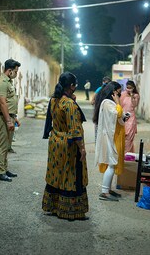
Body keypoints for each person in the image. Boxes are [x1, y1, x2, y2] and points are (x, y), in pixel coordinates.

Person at [42, 72, 89, 221]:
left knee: (56, 174)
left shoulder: (55, 100)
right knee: (72, 176)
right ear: (72, 86)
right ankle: (71, 211)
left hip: (55, 141)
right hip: (68, 145)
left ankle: (54, 207)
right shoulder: (68, 104)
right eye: (75, 85)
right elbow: (75, 129)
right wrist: (82, 148)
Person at [94, 82, 127, 201]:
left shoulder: (110, 103)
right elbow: (116, 113)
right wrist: (118, 103)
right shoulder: (107, 103)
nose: (120, 93)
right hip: (111, 137)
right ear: (113, 92)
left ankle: (108, 189)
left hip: (115, 135)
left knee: (113, 163)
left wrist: (124, 116)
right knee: (112, 163)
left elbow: (119, 116)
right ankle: (104, 192)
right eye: (118, 91)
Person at [0, 58, 21, 182]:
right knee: (3, 145)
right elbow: (2, 103)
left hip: (9, 117)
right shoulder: (2, 83)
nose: (16, 73)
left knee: (7, 145)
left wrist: (14, 118)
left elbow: (10, 102)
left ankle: (4, 168)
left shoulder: (8, 82)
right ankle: (0, 172)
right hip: (3, 117)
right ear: (9, 71)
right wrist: (8, 121)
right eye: (15, 71)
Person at [120, 80, 140, 153]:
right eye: (127, 87)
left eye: (130, 88)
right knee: (123, 136)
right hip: (123, 117)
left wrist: (132, 96)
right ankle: (123, 153)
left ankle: (127, 154)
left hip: (131, 118)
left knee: (129, 136)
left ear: (133, 88)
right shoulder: (123, 94)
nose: (128, 89)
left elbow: (134, 105)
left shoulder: (136, 95)